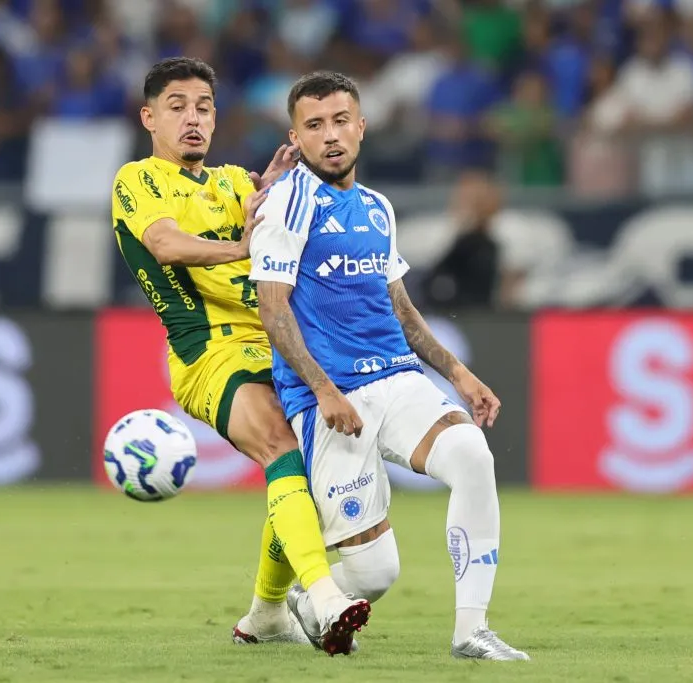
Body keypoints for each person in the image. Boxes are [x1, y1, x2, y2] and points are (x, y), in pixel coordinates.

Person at [248, 70, 530, 661]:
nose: (331, 136)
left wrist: (458, 374)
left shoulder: (377, 207)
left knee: (473, 455)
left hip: (397, 379)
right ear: (294, 137)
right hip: (329, 401)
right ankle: (305, 602)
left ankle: (470, 632)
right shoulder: (288, 202)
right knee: (375, 575)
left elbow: (399, 308)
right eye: (315, 125)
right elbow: (272, 310)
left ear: (362, 126)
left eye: (341, 121)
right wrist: (323, 390)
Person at [110, 57, 369, 657]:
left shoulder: (235, 181)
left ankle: (266, 612)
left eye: (202, 106)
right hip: (208, 352)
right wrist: (243, 242)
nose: (192, 119)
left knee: (304, 464)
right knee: (280, 443)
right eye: (176, 107)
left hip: (277, 341)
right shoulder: (138, 179)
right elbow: (166, 244)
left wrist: (285, 193)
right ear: (150, 117)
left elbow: (291, 232)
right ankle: (324, 598)